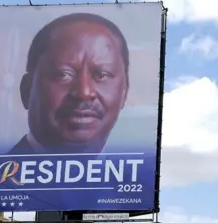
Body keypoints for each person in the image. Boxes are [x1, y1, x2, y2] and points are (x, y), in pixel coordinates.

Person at [13, 12, 130, 155]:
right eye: (63, 75)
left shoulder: (137, 177)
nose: (84, 92)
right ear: (27, 91)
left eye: (101, 75)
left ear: (124, 92)